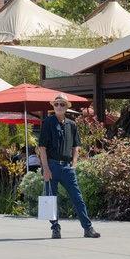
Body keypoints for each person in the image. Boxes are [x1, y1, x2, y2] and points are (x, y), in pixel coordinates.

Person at [37, 94, 100, 239]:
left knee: (77, 198)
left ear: (66, 107)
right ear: (53, 106)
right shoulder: (47, 122)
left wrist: (74, 164)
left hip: (67, 168)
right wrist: (45, 169)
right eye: (57, 104)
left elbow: (76, 146)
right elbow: (42, 148)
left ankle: (88, 229)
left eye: (62, 104)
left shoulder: (72, 124)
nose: (59, 106)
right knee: (52, 199)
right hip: (52, 166)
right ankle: (55, 228)